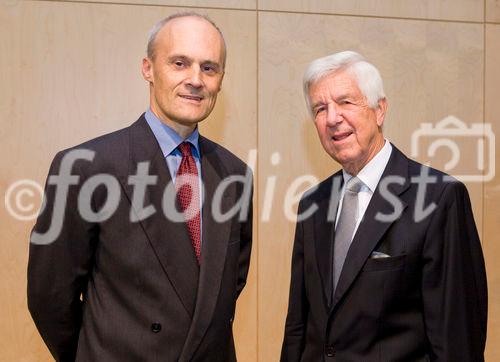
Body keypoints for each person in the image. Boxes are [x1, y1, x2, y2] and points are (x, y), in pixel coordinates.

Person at [28, 13, 253, 362]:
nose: (195, 79)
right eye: (180, 63)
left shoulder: (235, 175)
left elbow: (221, 293)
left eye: (209, 68)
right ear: (148, 68)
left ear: (221, 80)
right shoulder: (85, 167)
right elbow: (50, 296)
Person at [281, 50, 487, 361]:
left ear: (380, 110)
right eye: (320, 109)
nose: (332, 118)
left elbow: (457, 339)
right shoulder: (313, 203)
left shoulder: (438, 199)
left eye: (345, 102)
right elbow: (298, 326)